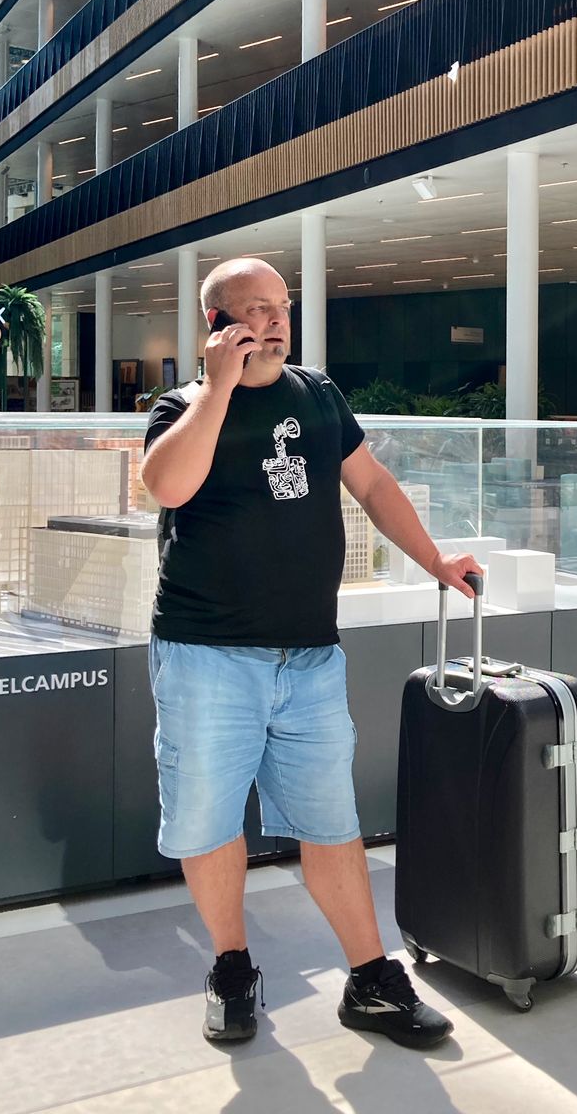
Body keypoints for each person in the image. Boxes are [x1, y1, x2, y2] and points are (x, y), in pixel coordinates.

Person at [141, 256, 480, 1049]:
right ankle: (231, 969)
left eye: (281, 306)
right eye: (252, 309)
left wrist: (434, 560)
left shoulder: (319, 394)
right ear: (216, 326)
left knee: (332, 822)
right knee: (209, 821)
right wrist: (220, 389)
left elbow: (372, 486)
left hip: (310, 658)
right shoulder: (182, 406)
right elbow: (167, 487)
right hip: (206, 654)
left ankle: (369, 979)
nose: (273, 320)